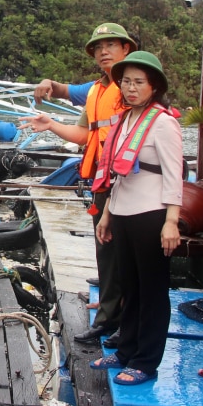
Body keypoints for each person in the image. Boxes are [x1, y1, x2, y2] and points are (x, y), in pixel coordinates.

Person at [22, 22, 136, 344]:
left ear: (126, 48)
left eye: (110, 46)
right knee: (106, 243)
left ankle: (118, 316)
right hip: (101, 176)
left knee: (124, 247)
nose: (103, 52)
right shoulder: (97, 89)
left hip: (127, 178)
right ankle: (111, 307)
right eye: (98, 48)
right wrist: (51, 123)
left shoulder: (133, 85)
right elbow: (86, 132)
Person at [86, 51, 182, 385]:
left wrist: (172, 221)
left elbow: (174, 175)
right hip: (124, 211)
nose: (131, 88)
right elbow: (118, 172)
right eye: (126, 81)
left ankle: (145, 360)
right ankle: (125, 350)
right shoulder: (125, 120)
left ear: (154, 86)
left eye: (138, 82)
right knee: (129, 287)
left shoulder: (163, 122)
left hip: (151, 214)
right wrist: (107, 214)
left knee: (152, 290)